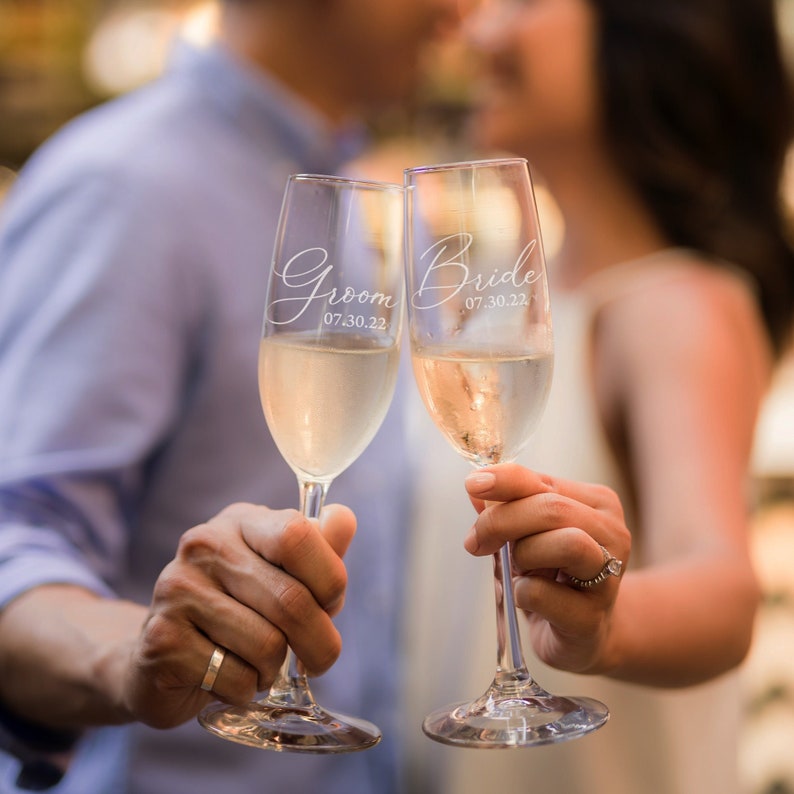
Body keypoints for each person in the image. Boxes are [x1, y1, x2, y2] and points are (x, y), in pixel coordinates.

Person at [0, 2, 463, 792]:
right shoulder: (121, 186)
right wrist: (137, 653)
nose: (462, 10)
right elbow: (15, 537)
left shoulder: (380, 211)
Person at [401, 0, 794, 792]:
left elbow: (721, 585)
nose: (476, 33)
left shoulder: (676, 303)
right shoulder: (505, 310)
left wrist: (606, 627)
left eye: (523, 2)